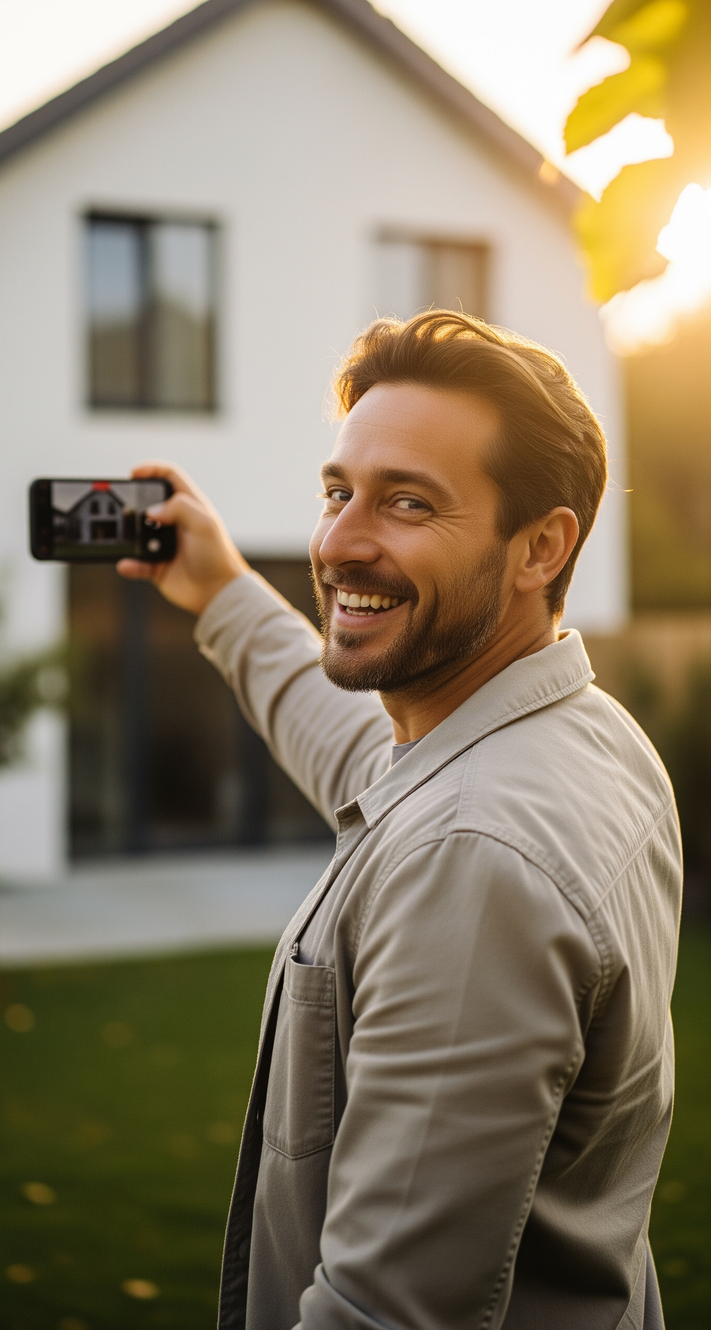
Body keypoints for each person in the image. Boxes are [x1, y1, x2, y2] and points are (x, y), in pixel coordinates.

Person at [119, 310, 681, 1330]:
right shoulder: (573, 730)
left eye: (407, 501)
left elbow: (386, 1310)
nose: (336, 542)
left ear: (539, 547)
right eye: (337, 492)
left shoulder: (472, 857)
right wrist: (220, 591)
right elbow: (357, 750)